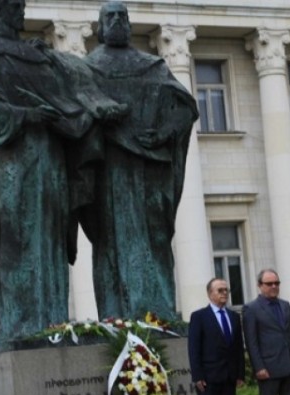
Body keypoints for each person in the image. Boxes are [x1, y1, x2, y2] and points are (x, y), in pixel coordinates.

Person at [0, 0, 122, 350]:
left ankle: (53, 322)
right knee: (20, 242)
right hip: (16, 164)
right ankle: (21, 326)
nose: (21, 12)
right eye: (15, 6)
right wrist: (26, 115)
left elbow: (71, 95)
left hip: (50, 160)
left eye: (21, 5)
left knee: (49, 242)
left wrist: (88, 113)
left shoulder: (37, 55)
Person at [80, 1, 198, 321]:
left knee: (154, 238)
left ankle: (158, 313)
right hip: (109, 168)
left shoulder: (153, 66)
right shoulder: (87, 69)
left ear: (129, 25)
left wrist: (162, 134)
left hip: (150, 170)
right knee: (110, 242)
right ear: (100, 27)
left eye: (122, 17)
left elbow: (185, 109)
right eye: (110, 17)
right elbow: (77, 113)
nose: (117, 21)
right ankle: (117, 314)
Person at [188, 278, 245, 395]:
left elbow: (238, 348)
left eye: (226, 290)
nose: (224, 293)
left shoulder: (234, 317)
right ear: (210, 293)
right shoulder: (199, 317)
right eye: (220, 290)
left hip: (229, 377)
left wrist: (240, 374)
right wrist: (198, 376)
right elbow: (194, 349)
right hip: (208, 379)